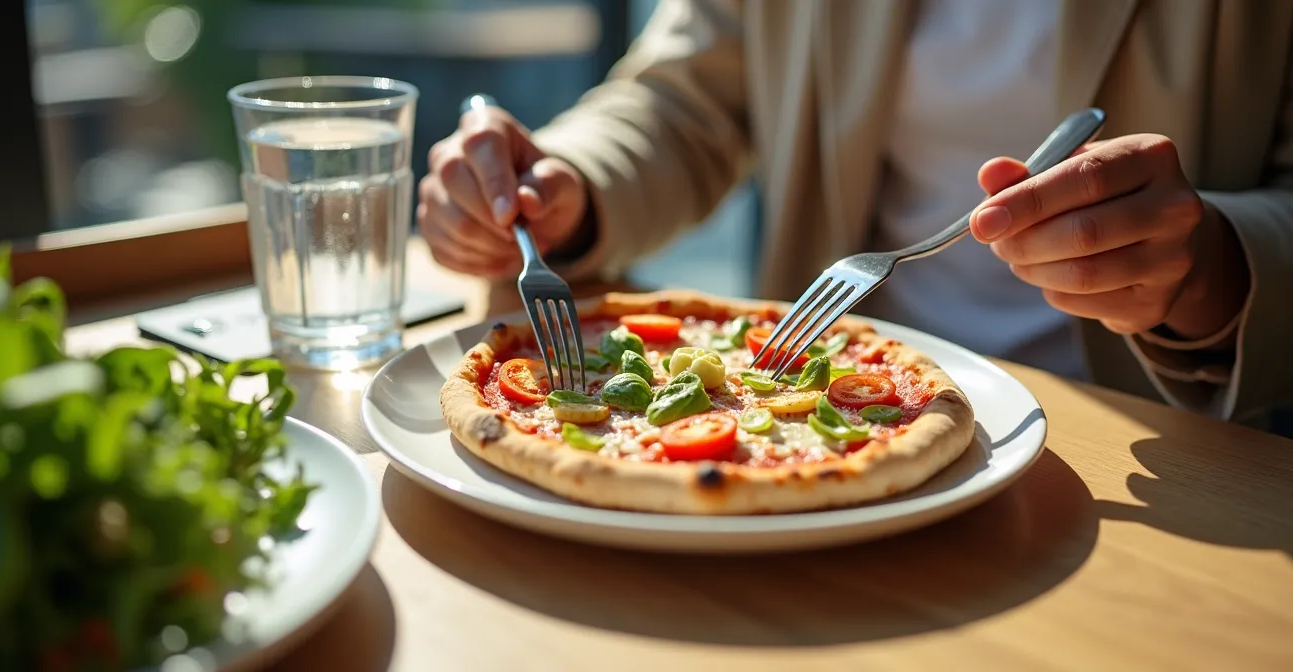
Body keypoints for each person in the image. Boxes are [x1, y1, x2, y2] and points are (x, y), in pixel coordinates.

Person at [418, 0, 1293, 428]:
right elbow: (688, 97)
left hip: (1154, 431)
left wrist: (1214, 269)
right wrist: (565, 184)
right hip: (820, 389)